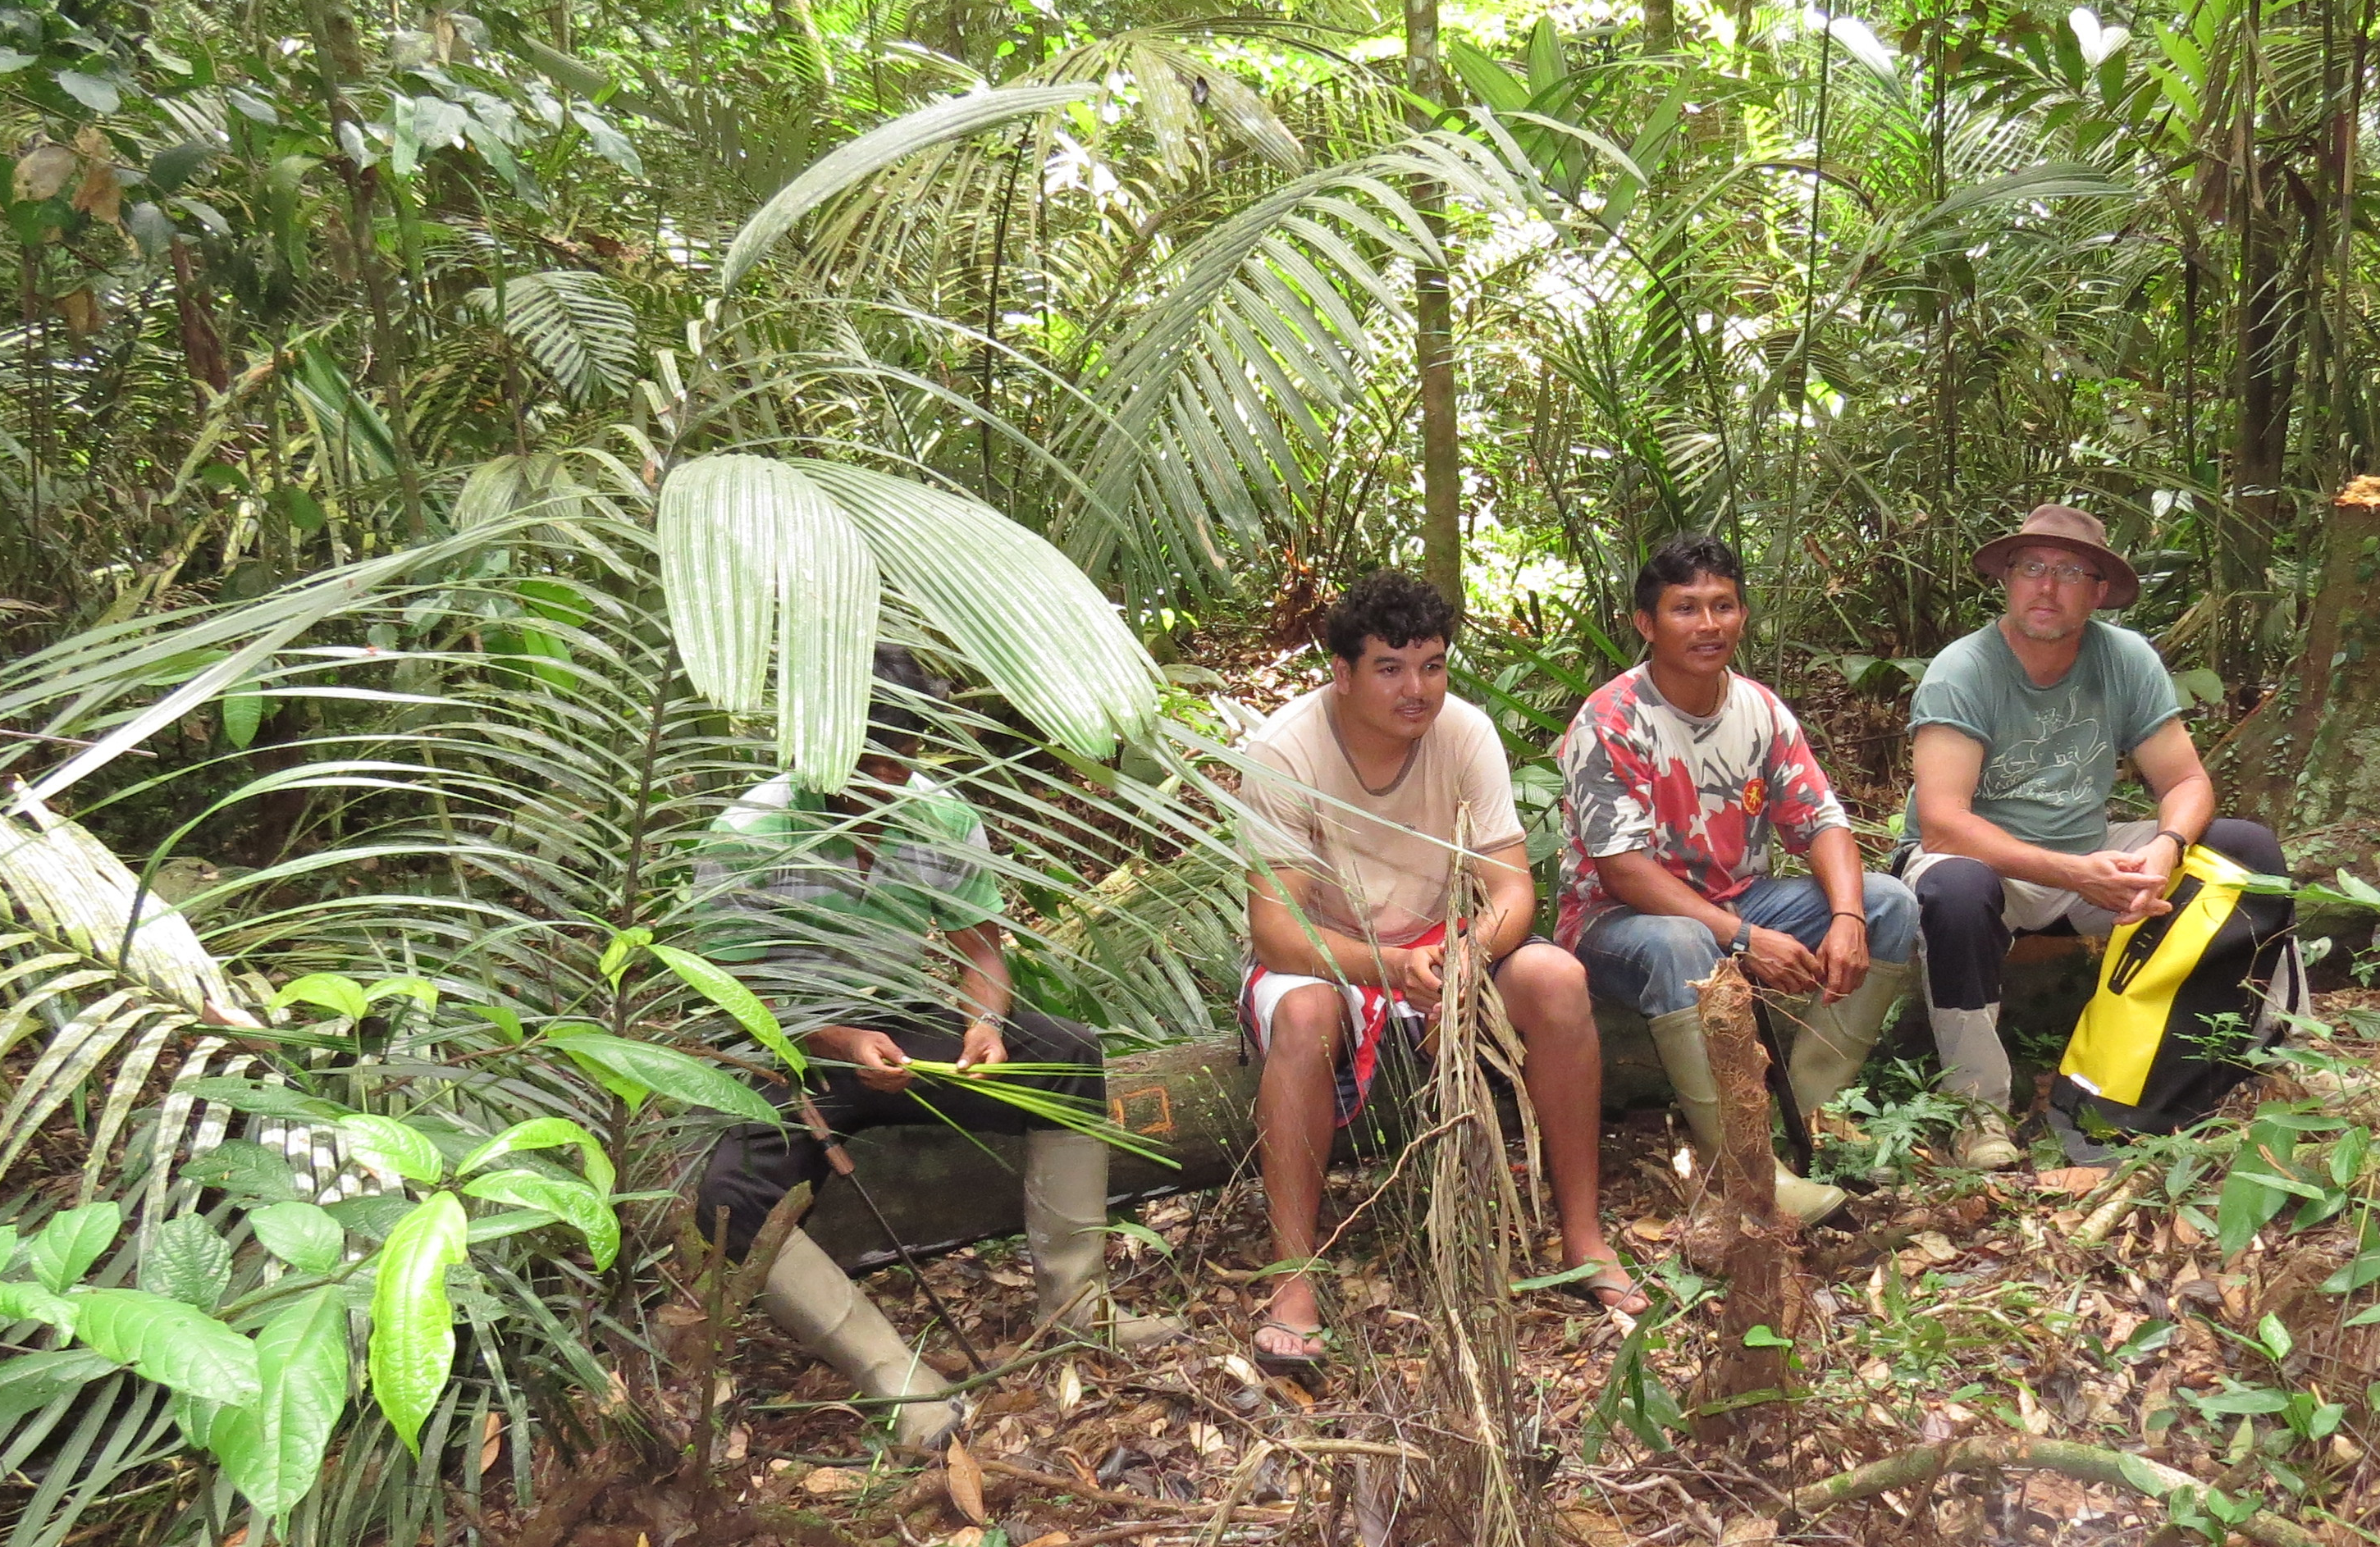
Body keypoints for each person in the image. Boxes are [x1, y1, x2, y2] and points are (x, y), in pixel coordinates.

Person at [691, 646, 1151, 1453]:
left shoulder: (935, 813)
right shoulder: (748, 835)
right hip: (785, 1051)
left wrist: (985, 1025)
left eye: (900, 757)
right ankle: (893, 1376)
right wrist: (835, 1040)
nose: (888, 777)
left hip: (902, 1024)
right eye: (871, 758)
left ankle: (1076, 1313)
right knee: (731, 1194)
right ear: (818, 742)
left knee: (1069, 1057)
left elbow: (981, 948)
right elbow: (736, 992)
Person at [1232, 569, 1644, 1376]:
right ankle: (1294, 1279)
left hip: (1436, 949)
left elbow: (1513, 888)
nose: (1415, 690)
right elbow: (1276, 931)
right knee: (1307, 1015)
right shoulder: (1284, 752)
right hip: (1330, 952)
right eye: (1389, 667)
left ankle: (1584, 1236)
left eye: (1431, 664)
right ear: (1341, 673)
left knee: (1557, 979)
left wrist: (1467, 955)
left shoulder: (1462, 733)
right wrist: (1389, 966)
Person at [1903, 503, 2292, 1167]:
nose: (2046, 587)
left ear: (2099, 591)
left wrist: (2163, 849)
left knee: (2245, 850)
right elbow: (1944, 822)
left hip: (2090, 848)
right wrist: (2077, 875)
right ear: (2008, 579)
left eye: (2069, 571)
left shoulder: (2124, 657)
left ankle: (2227, 1062)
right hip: (1981, 859)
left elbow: (2188, 783)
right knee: (1957, 890)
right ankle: (1979, 1114)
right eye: (2032, 568)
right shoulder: (1963, 669)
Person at [1555, 533, 1920, 1224]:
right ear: (1646, 624)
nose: (1708, 625)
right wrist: (1745, 938)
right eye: (1685, 609)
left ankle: (1811, 1115)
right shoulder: (1613, 719)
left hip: (1737, 901)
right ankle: (1747, 1167)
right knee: (1682, 946)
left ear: (1743, 615)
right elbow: (1623, 870)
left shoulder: (1757, 707)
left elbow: (1821, 821)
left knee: (1889, 904)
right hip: (1615, 922)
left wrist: (1846, 917)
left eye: (1722, 605)